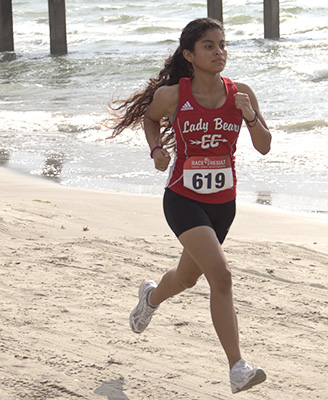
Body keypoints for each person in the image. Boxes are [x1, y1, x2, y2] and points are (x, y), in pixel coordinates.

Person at [109, 18, 272, 394]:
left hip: (223, 204)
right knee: (222, 275)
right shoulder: (172, 95)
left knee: (187, 278)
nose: (219, 52)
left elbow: (263, 145)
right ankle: (238, 367)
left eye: (222, 45)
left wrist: (248, 115)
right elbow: (151, 120)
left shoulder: (241, 92)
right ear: (189, 55)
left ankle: (150, 297)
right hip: (183, 198)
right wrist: (156, 150)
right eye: (209, 46)